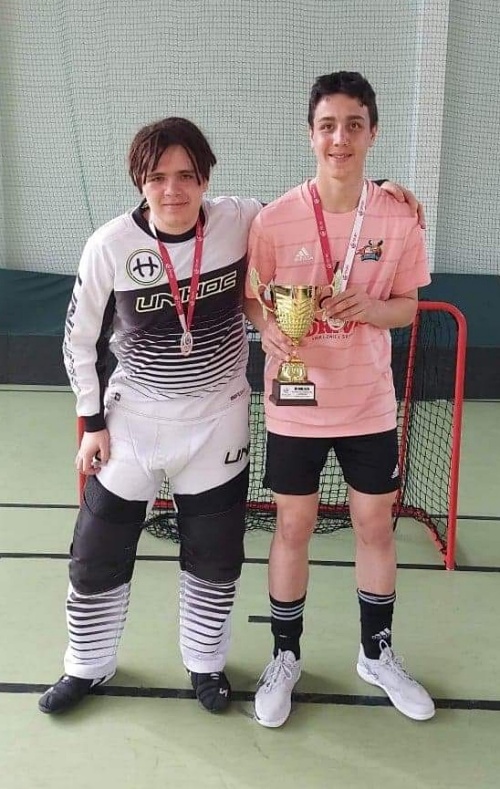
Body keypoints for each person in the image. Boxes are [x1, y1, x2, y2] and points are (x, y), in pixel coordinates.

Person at [38, 114, 424, 718]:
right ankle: (86, 664)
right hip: (133, 422)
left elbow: (320, 205)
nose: (173, 190)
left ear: (205, 179)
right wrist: (91, 421)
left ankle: (205, 663)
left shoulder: (240, 219)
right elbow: (77, 339)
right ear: (140, 181)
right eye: (158, 177)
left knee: (215, 553)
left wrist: (387, 193)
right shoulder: (108, 245)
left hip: (218, 420)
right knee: (96, 547)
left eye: (186, 176)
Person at [244, 71, 435, 728]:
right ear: (311, 134)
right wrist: (269, 326)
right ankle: (285, 655)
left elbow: (408, 306)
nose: (340, 138)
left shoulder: (399, 216)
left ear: (372, 132)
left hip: (368, 404)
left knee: (374, 526)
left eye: (354, 125)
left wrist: (374, 309)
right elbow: (253, 295)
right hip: (295, 403)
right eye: (328, 125)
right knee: (292, 526)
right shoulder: (274, 219)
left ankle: (376, 653)